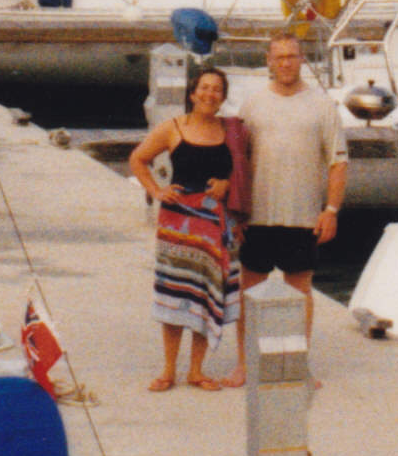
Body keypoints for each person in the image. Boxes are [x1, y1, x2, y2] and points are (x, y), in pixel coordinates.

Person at [221, 35, 346, 387]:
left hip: (303, 215)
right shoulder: (253, 104)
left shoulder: (322, 105)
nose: (287, 63)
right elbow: (237, 163)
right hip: (257, 216)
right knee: (249, 291)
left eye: (292, 56)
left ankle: (297, 366)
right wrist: (237, 214)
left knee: (300, 292)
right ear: (269, 61)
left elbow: (338, 162)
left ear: (302, 59)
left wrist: (331, 210)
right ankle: (245, 364)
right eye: (280, 57)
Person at [128, 64, 242, 391]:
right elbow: (138, 159)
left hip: (216, 226)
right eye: (203, 88)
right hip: (178, 223)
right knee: (174, 293)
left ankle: (196, 370)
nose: (209, 94)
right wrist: (156, 190)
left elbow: (244, 174)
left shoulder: (231, 132)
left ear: (222, 98)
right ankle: (168, 370)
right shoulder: (173, 128)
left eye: (216, 90)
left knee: (207, 294)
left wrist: (227, 184)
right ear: (192, 93)